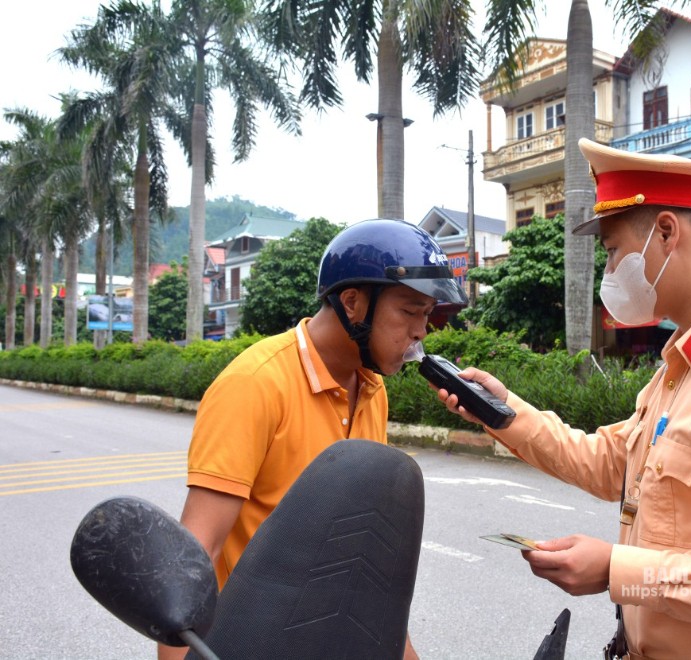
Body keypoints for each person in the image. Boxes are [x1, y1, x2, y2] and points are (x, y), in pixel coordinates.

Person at [437, 139, 691, 659]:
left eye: (612, 251)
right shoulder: (687, 366)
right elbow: (613, 462)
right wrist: (503, 410)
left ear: (666, 233)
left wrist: (617, 570)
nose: (608, 271)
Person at [159, 218, 467, 660]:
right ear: (353, 303)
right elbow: (195, 555)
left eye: (426, 315)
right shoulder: (255, 384)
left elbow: (361, 562)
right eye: (409, 311)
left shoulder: (372, 390)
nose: (421, 331)